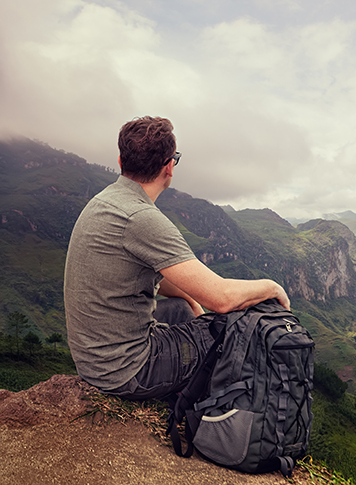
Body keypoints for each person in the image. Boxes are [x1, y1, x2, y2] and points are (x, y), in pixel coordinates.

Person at [64, 116, 290, 400]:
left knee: (183, 308)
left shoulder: (105, 201)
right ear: (169, 167)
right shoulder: (141, 218)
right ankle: (214, 423)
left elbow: (157, 279)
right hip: (126, 371)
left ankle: (186, 396)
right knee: (233, 330)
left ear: (121, 162)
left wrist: (193, 298)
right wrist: (272, 287)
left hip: (96, 358)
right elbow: (222, 298)